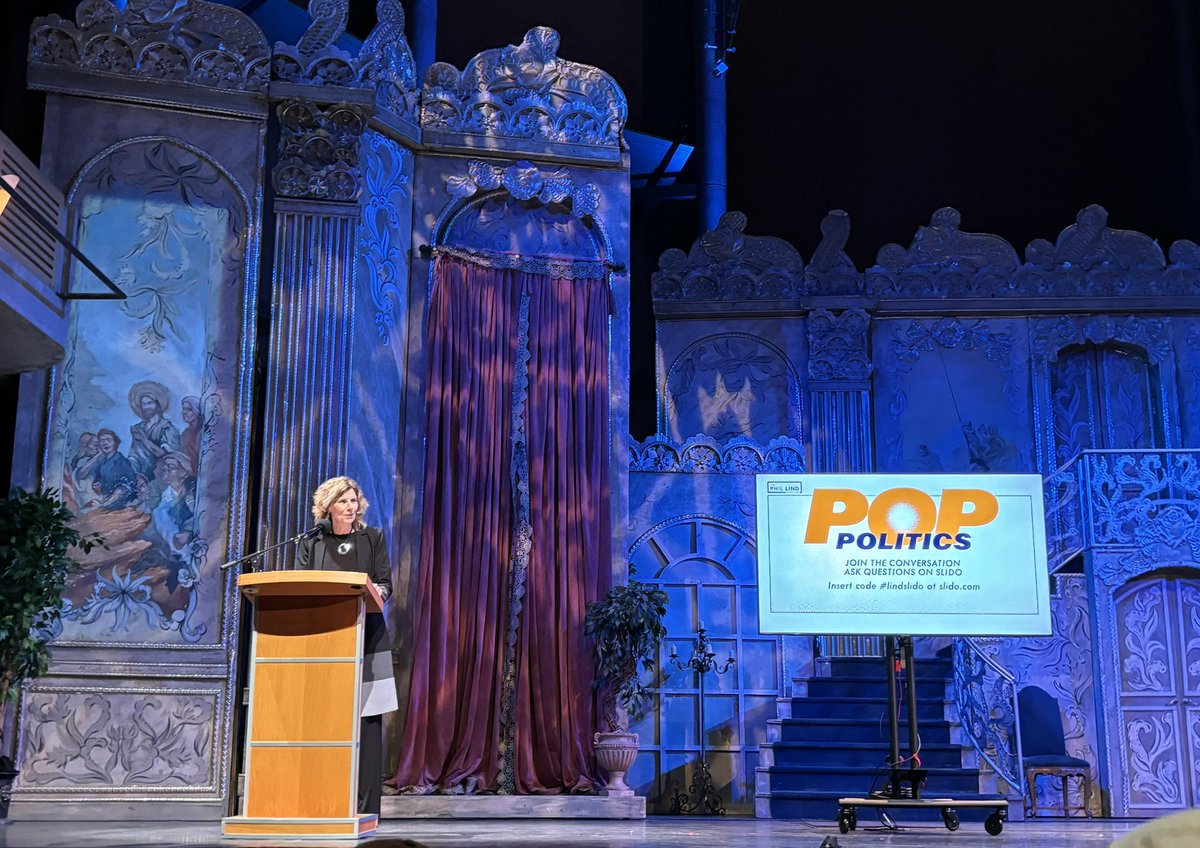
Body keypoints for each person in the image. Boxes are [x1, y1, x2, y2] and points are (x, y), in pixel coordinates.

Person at [296, 476, 397, 816]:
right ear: (327, 507)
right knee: (321, 718)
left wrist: (374, 594)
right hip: (324, 640)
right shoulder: (313, 541)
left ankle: (367, 807)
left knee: (368, 722)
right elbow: (302, 585)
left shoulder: (373, 538)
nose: (350, 507)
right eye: (342, 502)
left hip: (368, 637)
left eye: (354, 501)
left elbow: (384, 583)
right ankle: (322, 802)